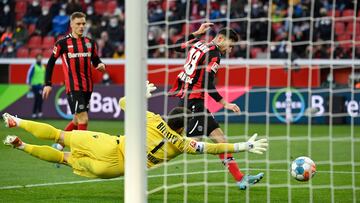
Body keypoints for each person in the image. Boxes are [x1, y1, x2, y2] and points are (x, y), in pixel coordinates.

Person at [2, 83, 268, 189]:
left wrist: (142, 92)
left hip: (110, 145)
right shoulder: (182, 144)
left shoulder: (152, 118)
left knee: (61, 135)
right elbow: (212, 149)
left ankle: (19, 122)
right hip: (116, 168)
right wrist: (247, 144)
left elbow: (123, 102)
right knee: (64, 157)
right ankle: (22, 146)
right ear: (183, 128)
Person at [169, 23, 260, 189]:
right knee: (190, 143)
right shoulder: (215, 54)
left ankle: (240, 178)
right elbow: (206, 81)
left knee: (220, 139)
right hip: (193, 103)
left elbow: (177, 46)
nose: (230, 50)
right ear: (220, 38)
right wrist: (224, 103)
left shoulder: (199, 43)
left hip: (190, 100)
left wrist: (196, 33)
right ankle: (150, 152)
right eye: (230, 45)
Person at [43, 12, 106, 138]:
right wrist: (48, 84)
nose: (81, 26)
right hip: (73, 87)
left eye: (83, 23)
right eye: (78, 24)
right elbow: (50, 63)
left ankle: (59, 145)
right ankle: (81, 151)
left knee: (77, 121)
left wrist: (101, 65)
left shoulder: (90, 43)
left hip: (88, 87)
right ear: (71, 24)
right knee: (84, 119)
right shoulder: (62, 43)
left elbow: (95, 60)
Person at [26, 53, 45, 118]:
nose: (39, 59)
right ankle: (37, 113)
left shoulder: (43, 67)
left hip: (41, 86)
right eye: (38, 57)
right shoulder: (33, 66)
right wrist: (29, 84)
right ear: (36, 59)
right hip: (35, 85)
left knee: (40, 99)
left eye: (40, 57)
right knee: (38, 98)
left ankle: (36, 113)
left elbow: (44, 76)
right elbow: (29, 75)